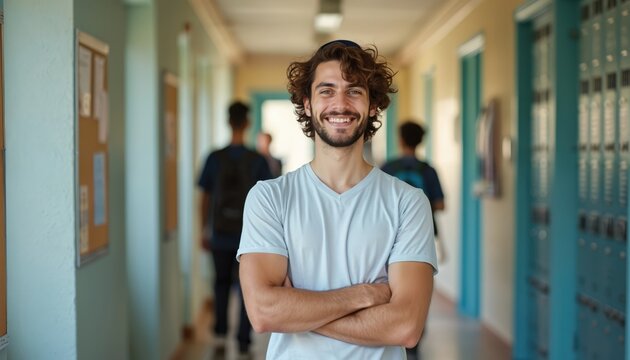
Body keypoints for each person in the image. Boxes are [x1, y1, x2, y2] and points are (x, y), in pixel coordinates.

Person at [237, 40, 438, 359]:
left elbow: (406, 327)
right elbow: (263, 313)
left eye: (355, 90)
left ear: (373, 105)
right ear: (307, 103)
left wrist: (295, 310)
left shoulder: (408, 203)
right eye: (326, 90)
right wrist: (363, 295)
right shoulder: (270, 197)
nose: (340, 104)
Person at [197, 100, 272, 356]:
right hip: (248, 238)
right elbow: (266, 201)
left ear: (228, 122)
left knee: (219, 283)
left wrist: (203, 230)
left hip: (219, 233)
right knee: (245, 288)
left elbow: (205, 197)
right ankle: (243, 339)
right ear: (248, 123)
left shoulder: (214, 158)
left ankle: (219, 333)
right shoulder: (257, 160)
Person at [381, 121, 446, 358]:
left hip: (387, 237)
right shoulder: (427, 170)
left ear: (400, 139)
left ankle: (388, 330)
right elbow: (440, 203)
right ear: (420, 141)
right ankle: (413, 343)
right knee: (418, 290)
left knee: (388, 286)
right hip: (421, 237)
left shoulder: (387, 167)